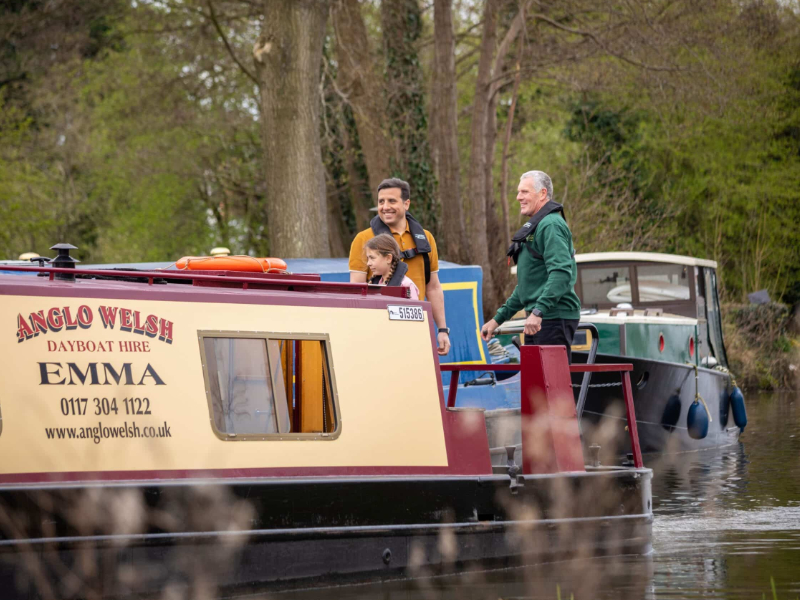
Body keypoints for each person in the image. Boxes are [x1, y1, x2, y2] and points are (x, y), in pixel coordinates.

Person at [481, 171, 581, 362]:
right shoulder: (536, 227)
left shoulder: (550, 225)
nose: (518, 197)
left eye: (525, 192)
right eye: (519, 192)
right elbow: (526, 288)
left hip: (551, 319)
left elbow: (561, 273)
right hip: (539, 319)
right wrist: (496, 321)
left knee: (551, 389)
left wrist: (538, 311)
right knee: (536, 389)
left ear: (542, 194)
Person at [350, 177, 450, 355]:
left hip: (417, 329)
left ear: (406, 204)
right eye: (381, 201)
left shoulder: (426, 238)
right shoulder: (363, 239)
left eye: (392, 201)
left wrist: (442, 330)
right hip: (379, 332)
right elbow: (357, 290)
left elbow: (433, 287)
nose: (385, 206)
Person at [364, 234, 420, 300]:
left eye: (372, 258)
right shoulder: (374, 284)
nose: (368, 263)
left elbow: (414, 308)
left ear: (388, 258)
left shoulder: (406, 285)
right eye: (368, 258)